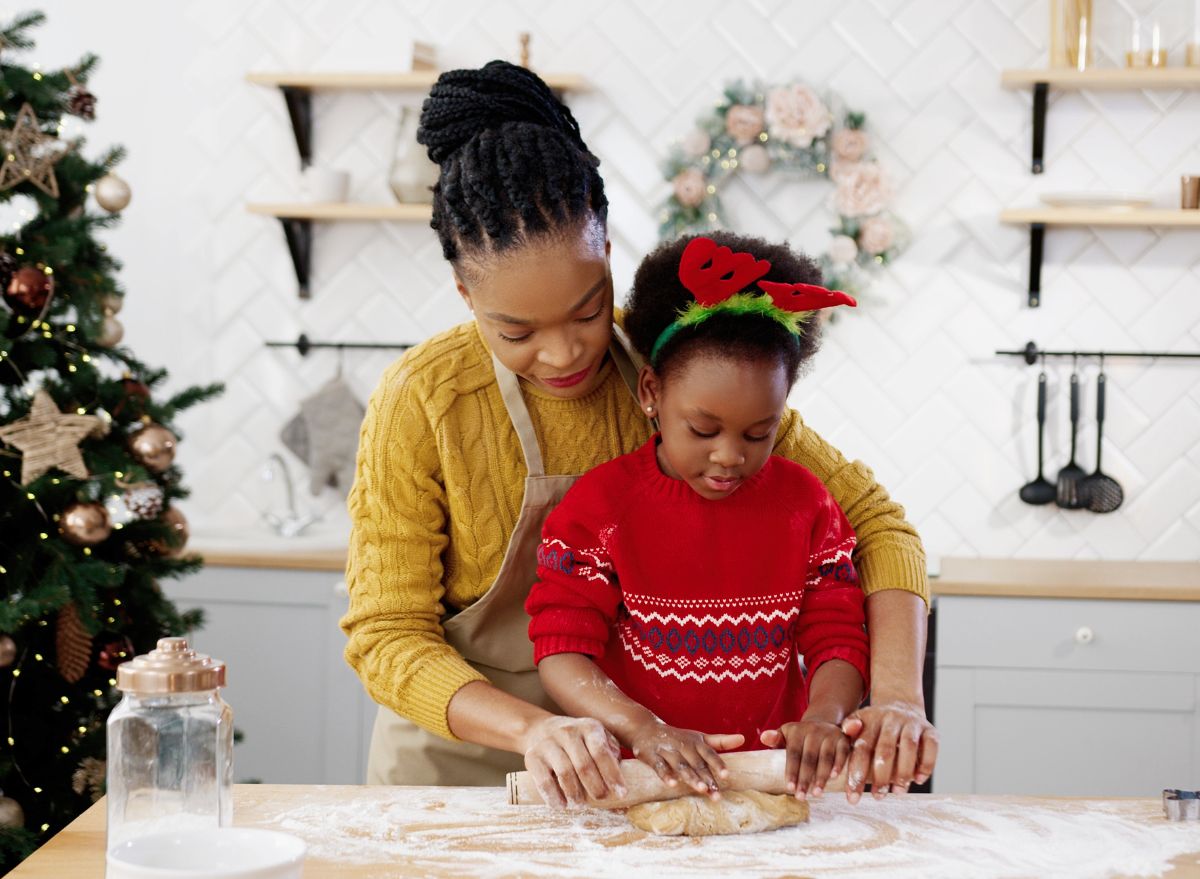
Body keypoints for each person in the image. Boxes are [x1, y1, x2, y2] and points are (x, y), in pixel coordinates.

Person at [340, 59, 937, 808]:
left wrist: (897, 699)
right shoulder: (422, 400)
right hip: (453, 767)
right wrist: (535, 729)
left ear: (609, 252)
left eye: (588, 311)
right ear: (466, 293)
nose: (564, 354)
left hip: (633, 769)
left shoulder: (674, 372)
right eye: (516, 331)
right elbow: (387, 633)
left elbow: (881, 526)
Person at [527, 233, 870, 803]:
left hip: (773, 782)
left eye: (759, 432)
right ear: (651, 393)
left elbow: (837, 635)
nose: (730, 456)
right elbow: (562, 650)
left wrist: (826, 715)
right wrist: (643, 729)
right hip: (638, 784)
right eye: (703, 430)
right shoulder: (600, 509)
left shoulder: (806, 504)